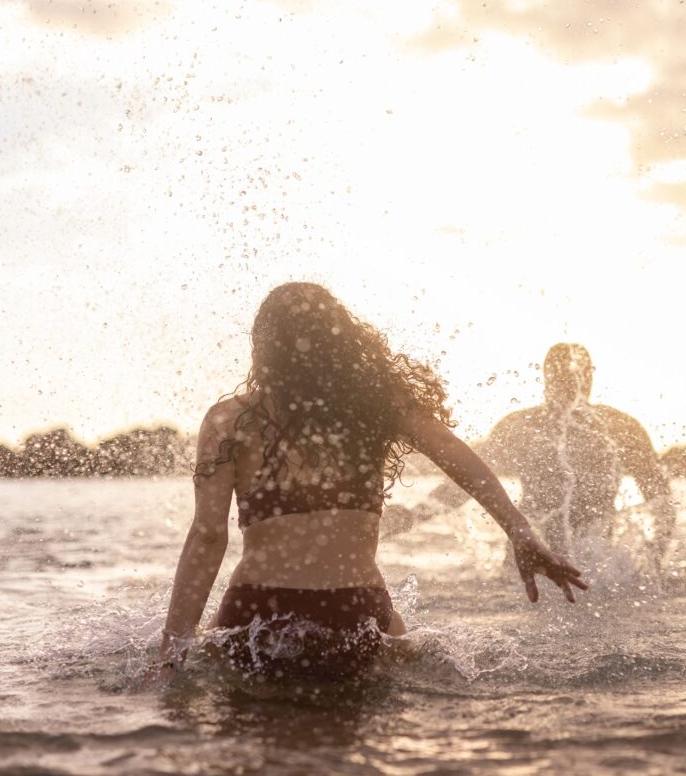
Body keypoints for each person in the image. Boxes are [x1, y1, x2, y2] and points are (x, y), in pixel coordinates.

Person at [151, 283, 586, 682]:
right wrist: (518, 527)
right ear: (341, 341)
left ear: (263, 347)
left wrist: (172, 650)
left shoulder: (230, 420)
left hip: (258, 611)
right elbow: (460, 459)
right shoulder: (377, 409)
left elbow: (208, 536)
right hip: (356, 608)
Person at [419, 343, 674, 562]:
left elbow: (661, 499)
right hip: (533, 549)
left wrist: (652, 561)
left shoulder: (620, 428)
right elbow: (471, 480)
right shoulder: (520, 426)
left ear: (589, 378)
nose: (569, 384)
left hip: (599, 554)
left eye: (575, 376)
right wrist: (415, 513)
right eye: (561, 376)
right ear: (547, 378)